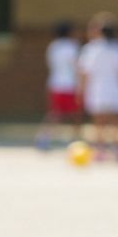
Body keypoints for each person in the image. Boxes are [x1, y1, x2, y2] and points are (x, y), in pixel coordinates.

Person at [77, 12, 118, 161]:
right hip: (115, 87)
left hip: (98, 88)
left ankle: (100, 150)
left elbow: (85, 72)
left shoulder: (92, 49)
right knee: (115, 120)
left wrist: (81, 89)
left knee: (99, 121)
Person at [35, 21, 81, 149]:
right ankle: (75, 140)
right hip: (70, 85)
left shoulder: (53, 46)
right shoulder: (72, 47)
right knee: (75, 115)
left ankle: (44, 137)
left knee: (55, 113)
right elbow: (77, 66)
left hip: (55, 83)